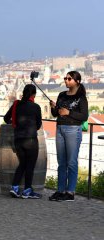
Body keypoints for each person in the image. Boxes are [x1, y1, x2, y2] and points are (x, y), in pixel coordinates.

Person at [49, 71, 88, 202]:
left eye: (69, 79)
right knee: (61, 163)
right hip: (59, 128)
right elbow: (56, 114)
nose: (66, 80)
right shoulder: (61, 94)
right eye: (65, 78)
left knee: (71, 162)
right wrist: (53, 108)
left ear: (77, 81)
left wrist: (68, 112)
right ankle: (60, 190)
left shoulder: (81, 98)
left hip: (73, 129)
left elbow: (84, 116)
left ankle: (70, 192)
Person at [4, 84, 42, 199]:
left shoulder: (16, 104)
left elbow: (6, 119)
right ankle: (27, 191)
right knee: (30, 165)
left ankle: (14, 187)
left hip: (18, 139)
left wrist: (17, 123)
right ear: (33, 95)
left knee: (23, 164)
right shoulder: (36, 107)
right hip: (30, 140)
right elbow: (39, 125)